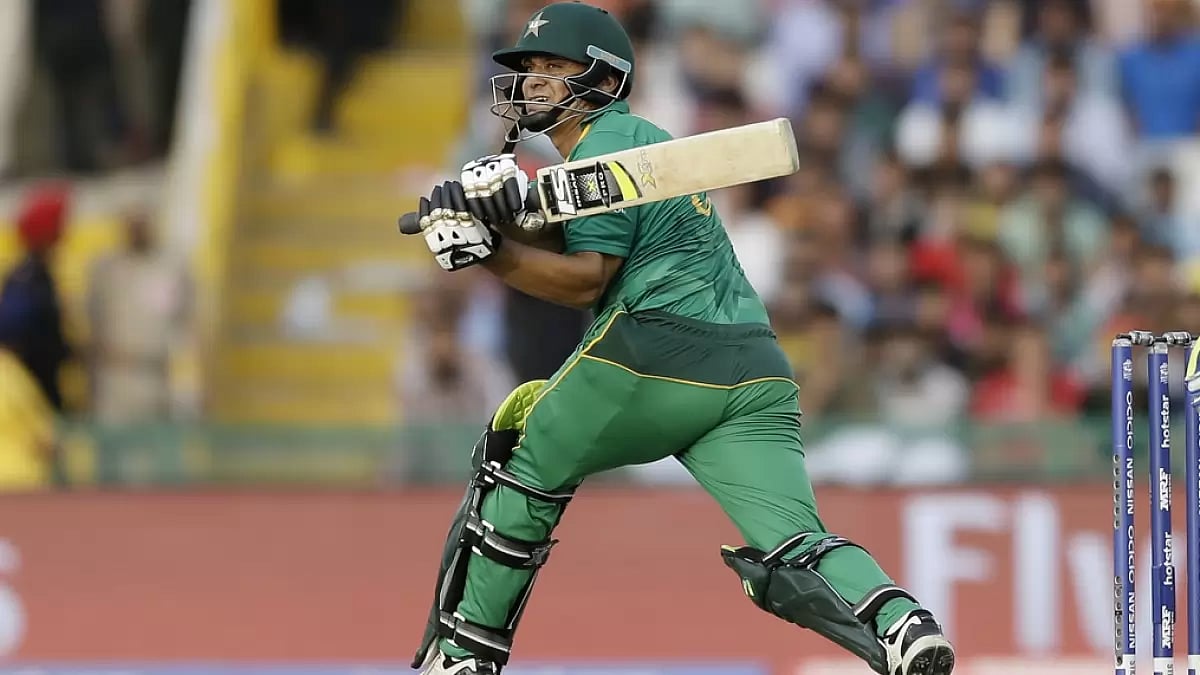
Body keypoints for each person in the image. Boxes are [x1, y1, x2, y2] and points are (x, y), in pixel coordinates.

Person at [401, 4, 956, 675]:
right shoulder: (631, 146)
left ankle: (463, 657)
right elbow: (575, 234)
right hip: (753, 371)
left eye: (554, 67)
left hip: (653, 352)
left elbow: (584, 280)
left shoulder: (608, 140)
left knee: (520, 442)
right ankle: (901, 622)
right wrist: (502, 218)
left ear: (603, 79)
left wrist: (489, 251)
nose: (534, 81)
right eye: (529, 69)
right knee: (792, 544)